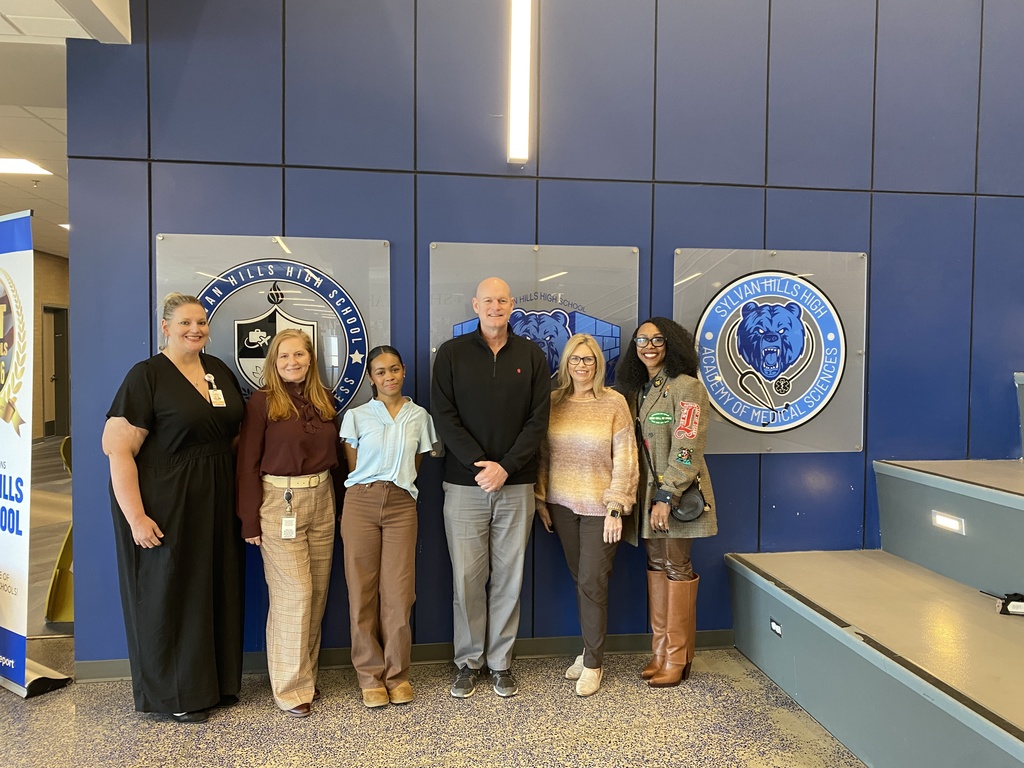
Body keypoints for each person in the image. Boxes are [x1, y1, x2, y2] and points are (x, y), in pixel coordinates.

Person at [102, 292, 245, 723]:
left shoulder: (217, 370)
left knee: (215, 586)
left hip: (215, 498)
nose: (195, 329)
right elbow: (117, 449)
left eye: (201, 322)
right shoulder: (146, 376)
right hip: (166, 500)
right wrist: (136, 517)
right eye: (185, 322)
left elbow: (232, 433)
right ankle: (176, 695)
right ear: (165, 327)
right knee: (171, 593)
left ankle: (215, 684)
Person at [430, 276, 550, 698]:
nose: (495, 307)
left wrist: (507, 467)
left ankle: (500, 662)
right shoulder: (452, 353)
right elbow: (443, 416)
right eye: (488, 301)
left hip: (516, 486)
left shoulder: (532, 355)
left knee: (508, 580)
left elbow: (539, 420)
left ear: (512, 305)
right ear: (475, 305)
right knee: (467, 580)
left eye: (501, 300)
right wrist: (480, 466)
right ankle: (468, 661)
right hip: (465, 485)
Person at [236, 329, 341, 719]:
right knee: (294, 595)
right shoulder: (261, 402)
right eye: (284, 356)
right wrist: (249, 519)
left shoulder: (324, 399)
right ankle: (288, 687)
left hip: (323, 498)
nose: (292, 362)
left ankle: (304, 678)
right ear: (273, 363)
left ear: (310, 358)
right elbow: (247, 462)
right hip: (280, 503)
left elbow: (338, 458)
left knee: (317, 592)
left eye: (299, 354)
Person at [615, 317, 717, 688]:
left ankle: (678, 657)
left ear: (672, 344)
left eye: (657, 340)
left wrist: (667, 495)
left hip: (673, 496)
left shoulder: (687, 387)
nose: (649, 347)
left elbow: (687, 448)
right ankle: (660, 652)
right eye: (642, 340)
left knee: (676, 566)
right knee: (657, 564)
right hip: (646, 497)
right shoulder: (637, 390)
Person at [535, 334, 638, 697]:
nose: (582, 365)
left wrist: (616, 507)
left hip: (601, 510)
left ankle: (594, 663)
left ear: (598, 363)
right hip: (562, 506)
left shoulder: (614, 403)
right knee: (581, 580)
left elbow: (626, 459)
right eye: (575, 359)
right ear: (566, 364)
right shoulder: (554, 402)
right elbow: (544, 456)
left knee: (593, 582)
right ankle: (588, 649)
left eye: (589, 359)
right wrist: (541, 500)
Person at [339, 345, 439, 708]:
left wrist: (396, 486)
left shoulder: (420, 416)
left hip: (401, 505)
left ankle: (397, 675)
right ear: (371, 378)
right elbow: (353, 467)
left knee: (399, 593)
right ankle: (369, 676)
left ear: (404, 370)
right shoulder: (357, 416)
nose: (389, 377)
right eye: (380, 372)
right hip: (361, 503)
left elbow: (417, 462)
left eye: (394, 369)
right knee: (361, 592)